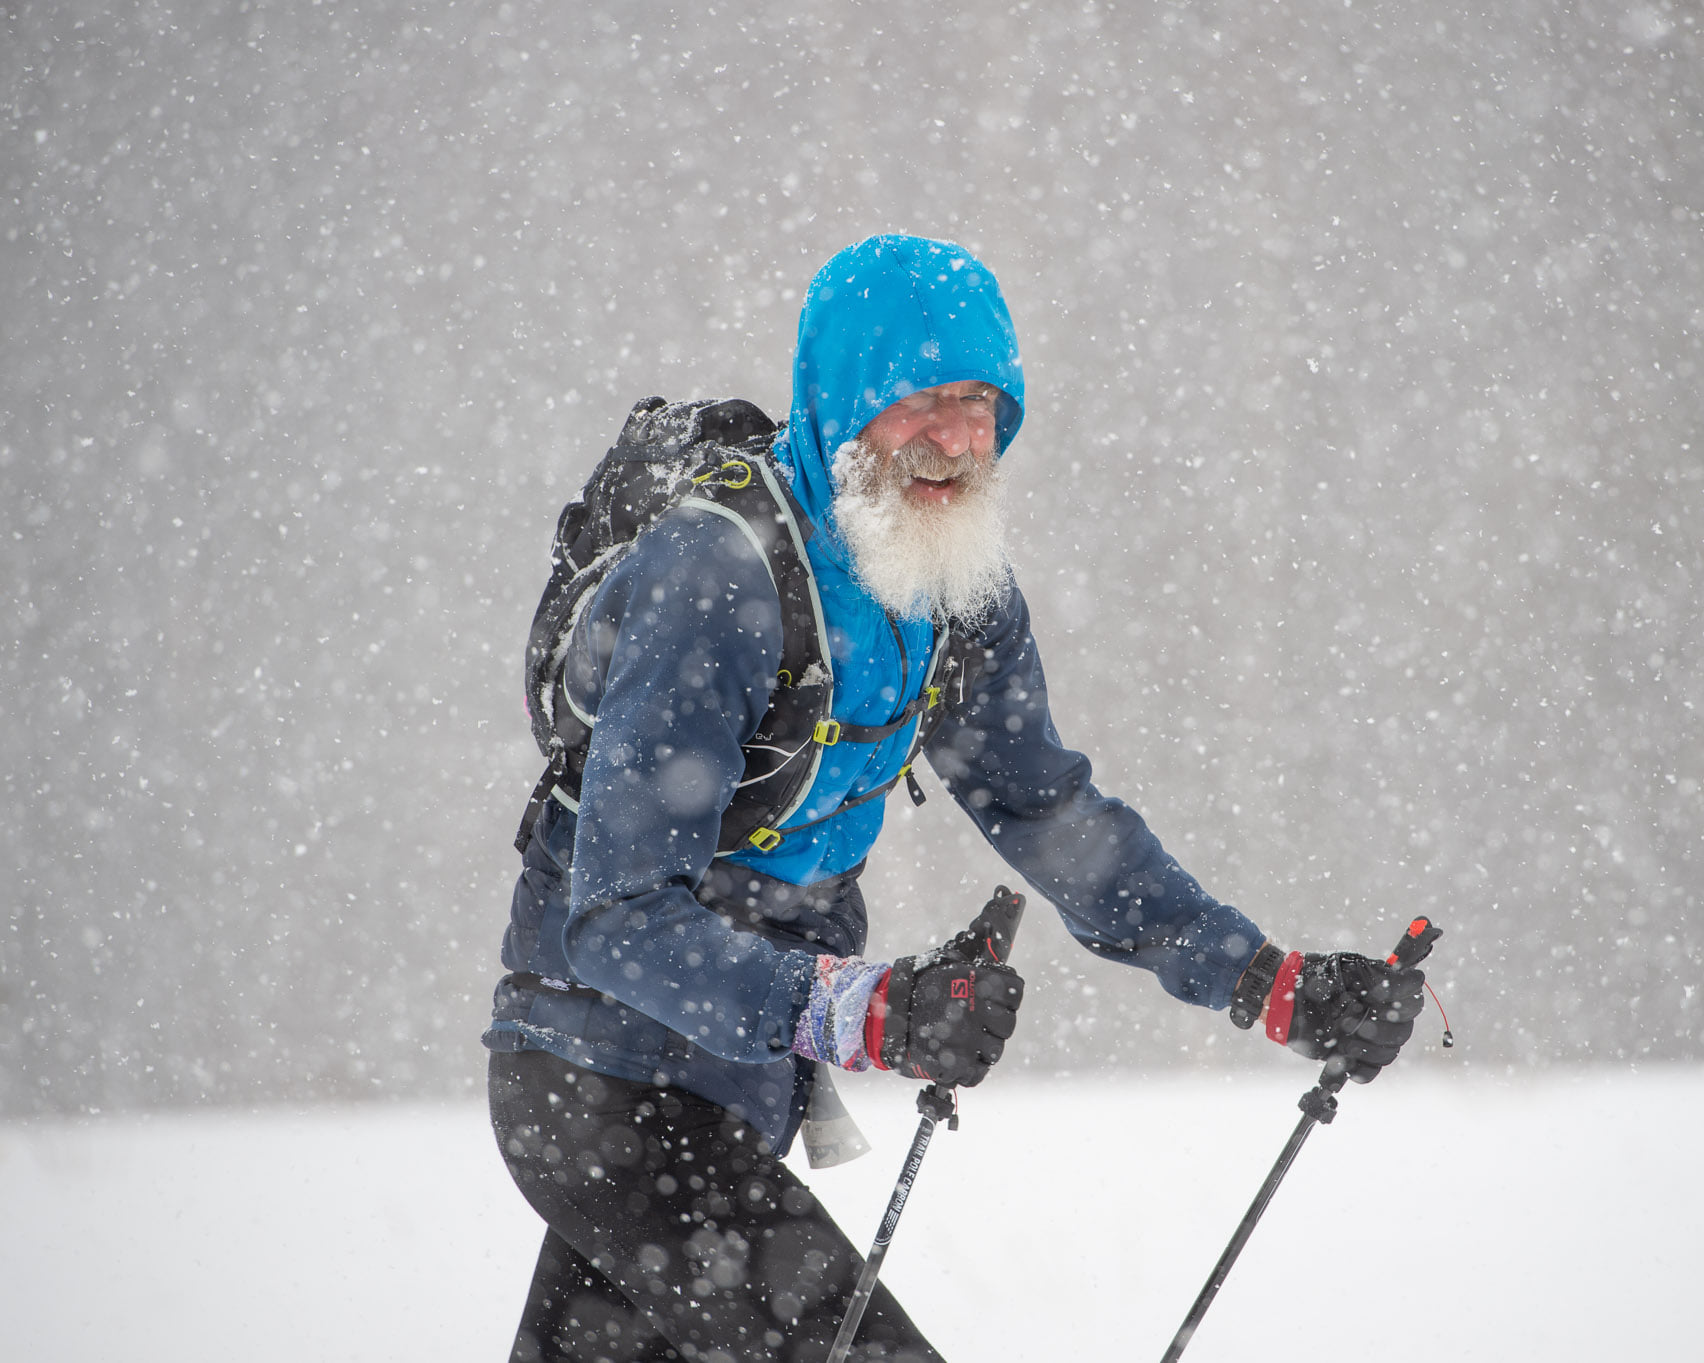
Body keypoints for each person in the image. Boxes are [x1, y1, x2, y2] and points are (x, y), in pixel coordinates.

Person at [484, 234, 1432, 1363]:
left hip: (736, 1092)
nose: (956, 438)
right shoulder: (715, 575)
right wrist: (865, 1010)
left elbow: (1047, 812)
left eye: (981, 403)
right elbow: (614, 918)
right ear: (843, 402)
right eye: (920, 400)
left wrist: (1268, 981)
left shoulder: (950, 590)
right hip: (595, 1084)